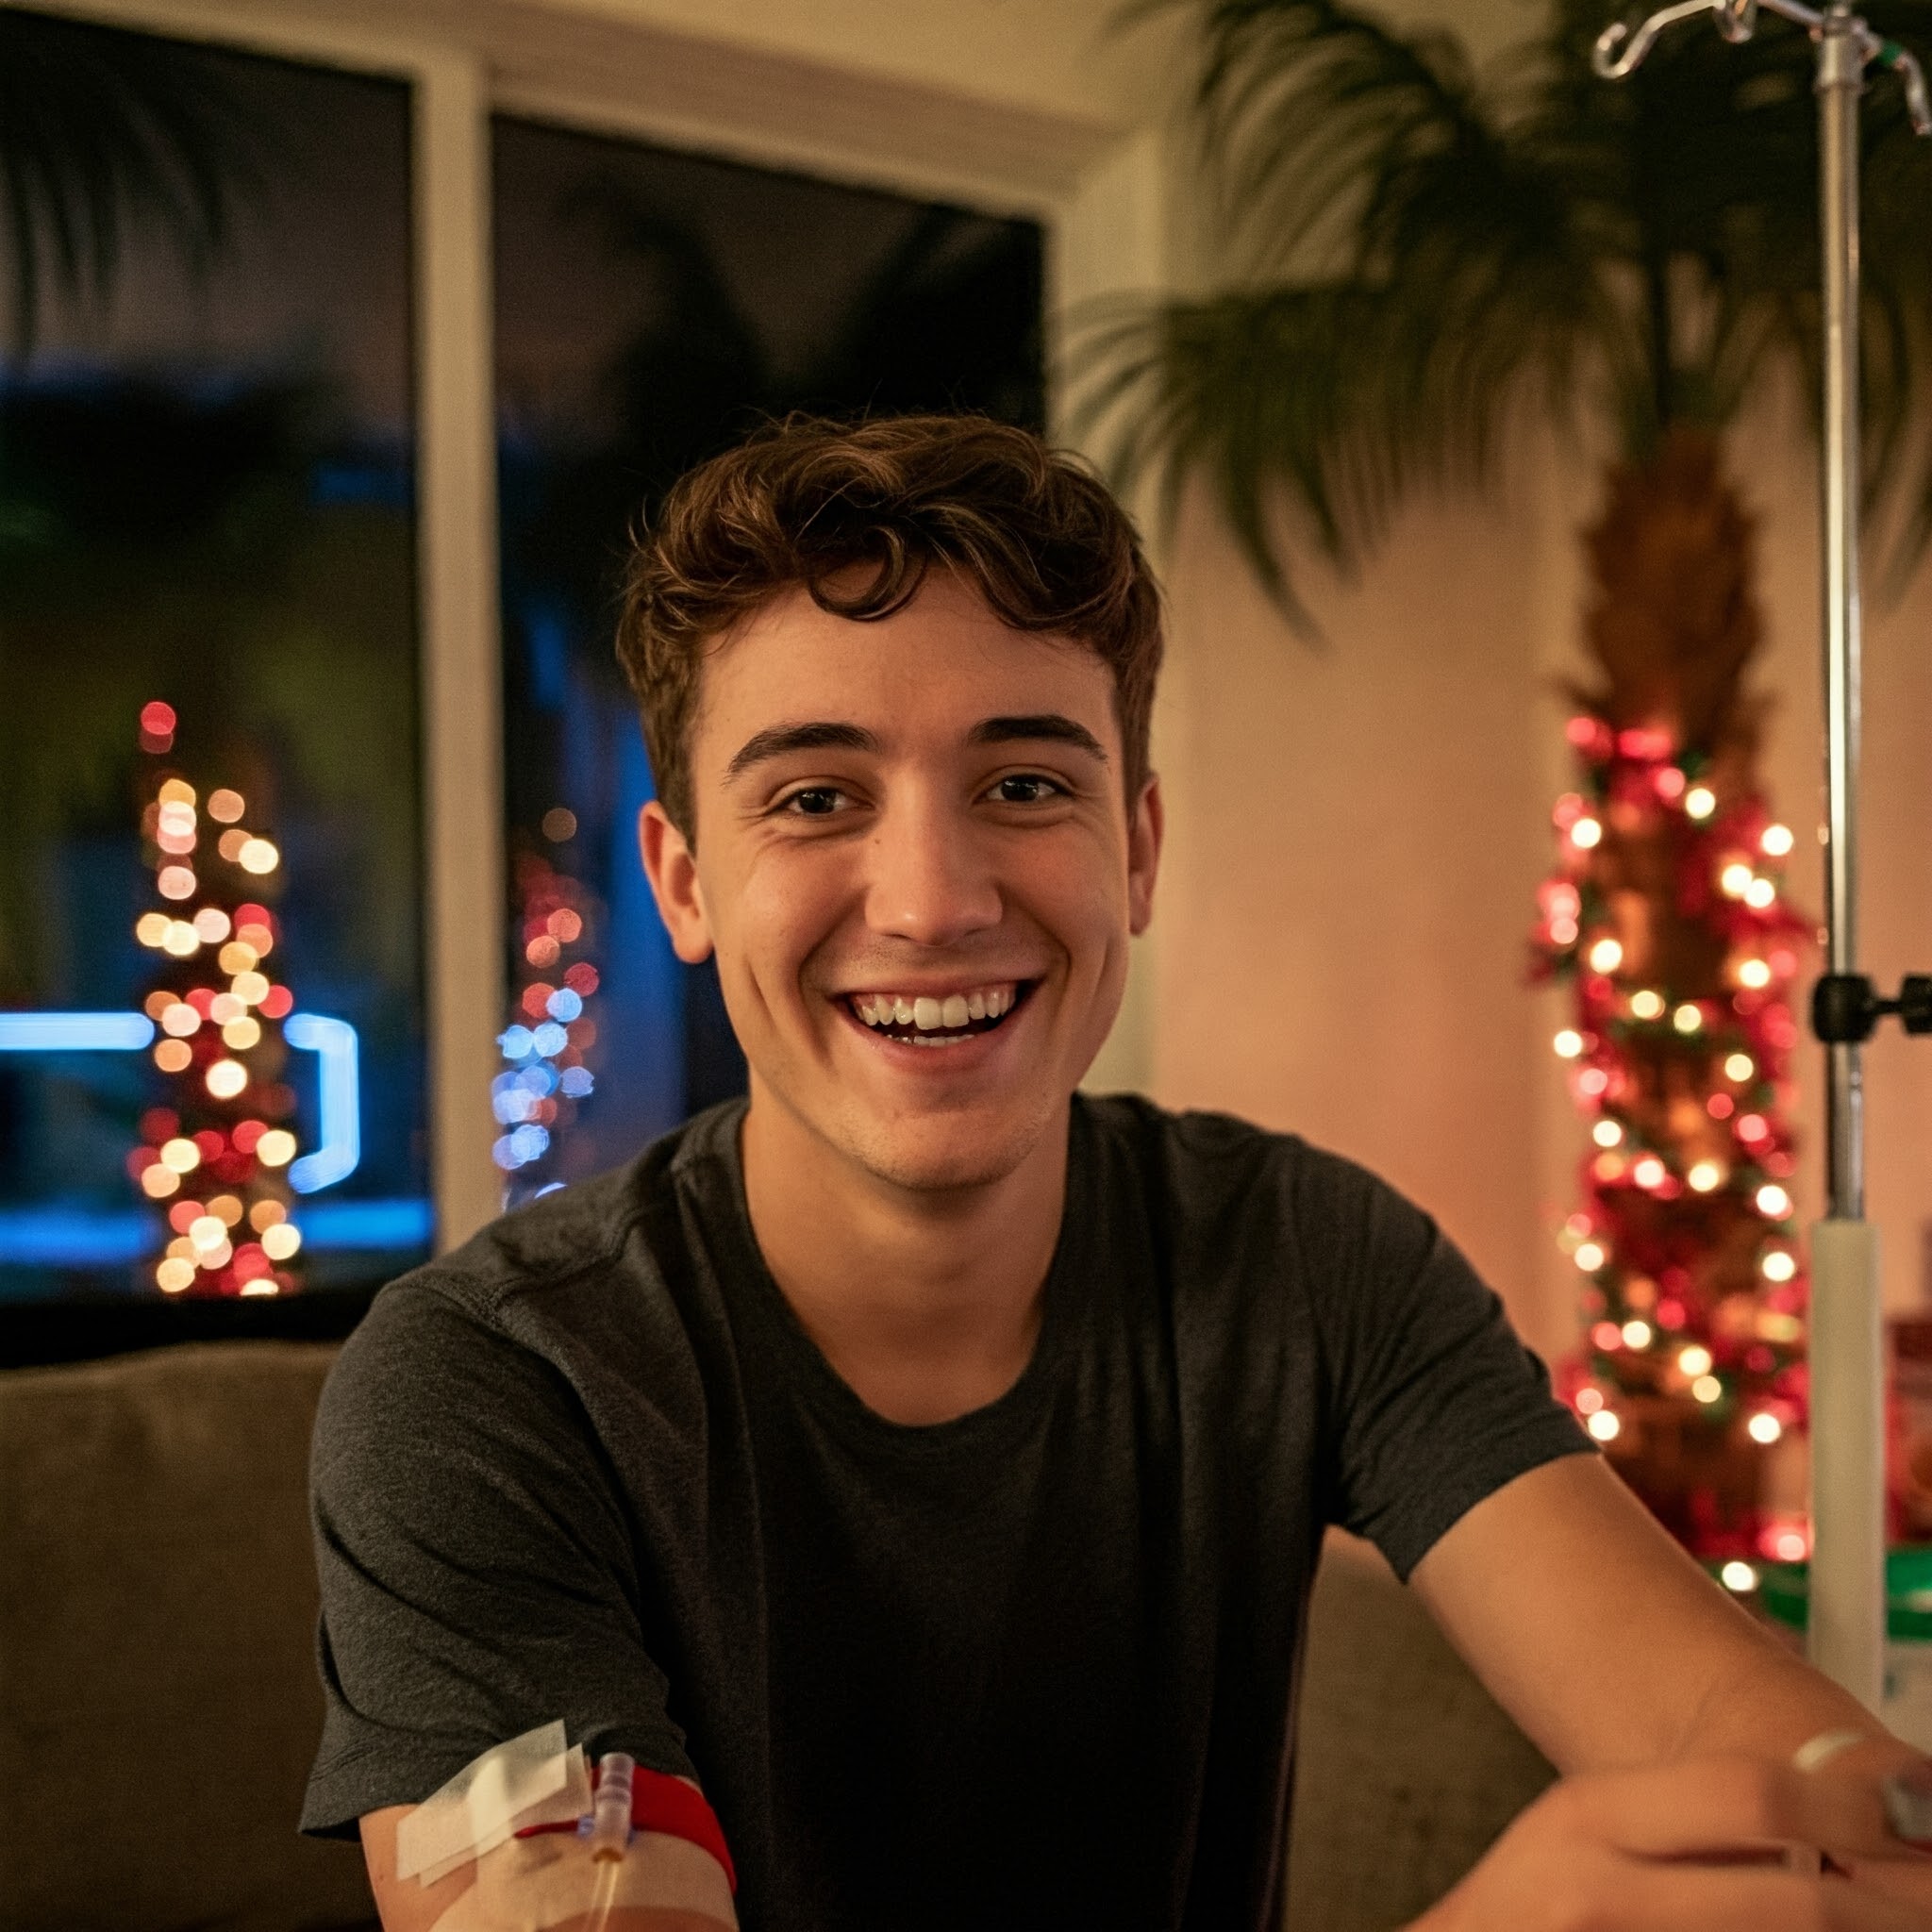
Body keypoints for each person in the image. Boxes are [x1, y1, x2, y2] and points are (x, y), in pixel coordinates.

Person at [300, 414, 1932, 1932]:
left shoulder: (1304, 1255)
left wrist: (1855, 1820)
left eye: (1024, 785)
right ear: (683, 881)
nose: (933, 899)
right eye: (815, 797)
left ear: (1136, 848)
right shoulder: (486, 1388)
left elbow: (1744, 1741)